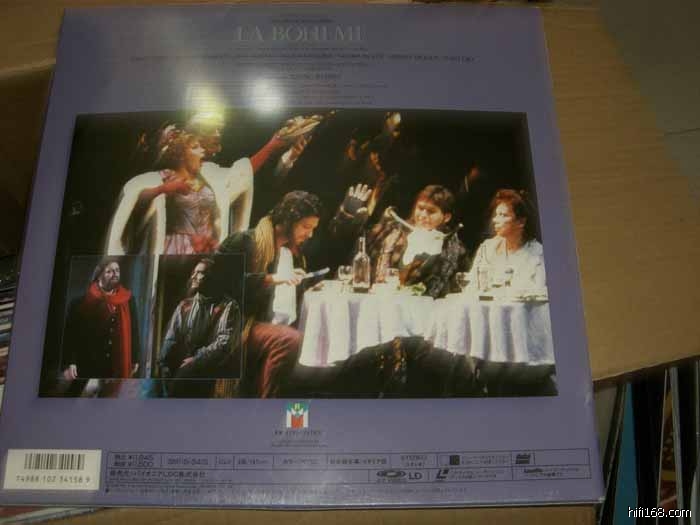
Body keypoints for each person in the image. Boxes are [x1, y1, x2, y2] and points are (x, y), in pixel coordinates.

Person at [106, 113, 322, 255]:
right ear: (180, 150)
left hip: (205, 260)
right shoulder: (161, 178)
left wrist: (275, 144)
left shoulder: (209, 175)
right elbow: (138, 203)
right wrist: (164, 189)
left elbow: (242, 173)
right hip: (174, 260)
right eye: (197, 146)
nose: (205, 151)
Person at [218, 191, 322, 397]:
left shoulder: (292, 254)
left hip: (265, 325)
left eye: (313, 229)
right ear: (288, 220)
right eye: (306, 226)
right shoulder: (245, 241)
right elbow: (222, 286)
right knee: (289, 339)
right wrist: (272, 278)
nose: (309, 234)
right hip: (234, 324)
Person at [336, 184, 467, 299]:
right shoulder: (391, 231)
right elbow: (353, 246)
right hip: (378, 305)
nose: (423, 215)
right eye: (420, 208)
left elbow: (459, 290)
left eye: (431, 211)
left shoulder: (454, 251)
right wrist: (349, 216)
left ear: (446, 217)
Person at [158, 258, 241, 397]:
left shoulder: (228, 306)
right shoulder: (185, 305)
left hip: (209, 377)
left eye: (199, 273)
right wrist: (164, 364)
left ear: (212, 277)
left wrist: (196, 360)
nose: (193, 276)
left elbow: (225, 343)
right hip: (179, 372)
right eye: (194, 272)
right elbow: (171, 338)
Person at [62, 259, 140, 381]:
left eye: (117, 270)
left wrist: (135, 358)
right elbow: (72, 335)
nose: (115, 274)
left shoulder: (128, 299)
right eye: (109, 271)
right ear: (98, 276)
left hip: (117, 364)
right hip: (89, 364)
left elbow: (134, 331)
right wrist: (71, 362)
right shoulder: (80, 302)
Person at [468, 189, 546, 290]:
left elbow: (540, 291)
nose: (495, 220)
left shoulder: (537, 253)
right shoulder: (487, 248)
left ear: (521, 222)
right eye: (496, 215)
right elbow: (471, 285)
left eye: (503, 215)